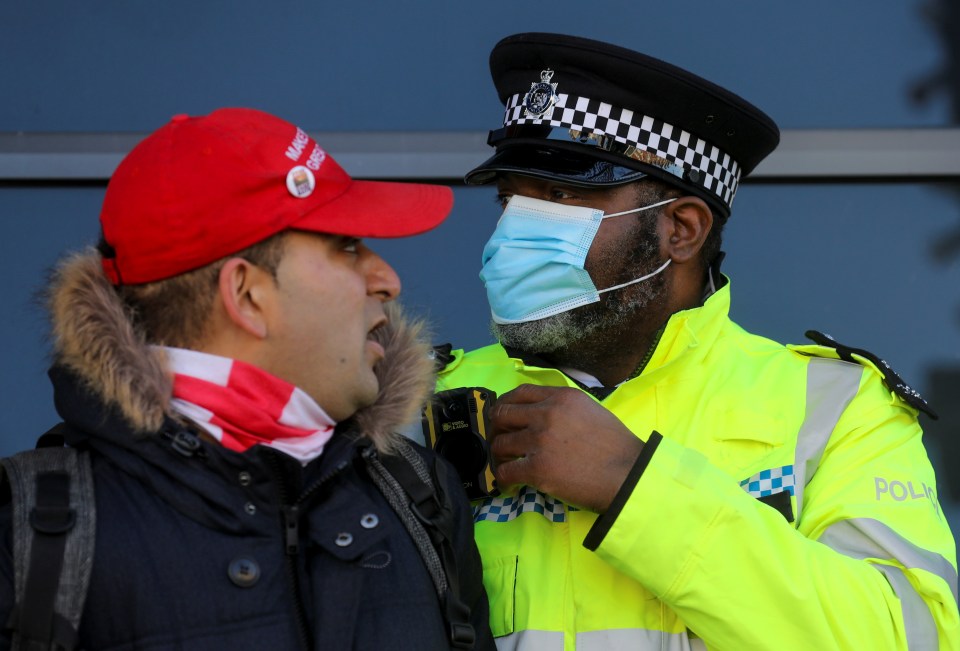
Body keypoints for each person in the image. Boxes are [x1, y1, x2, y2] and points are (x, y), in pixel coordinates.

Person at [436, 33, 959, 649]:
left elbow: (907, 637)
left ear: (681, 230)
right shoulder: (426, 403)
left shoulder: (836, 409)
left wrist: (634, 485)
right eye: (509, 200)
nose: (512, 231)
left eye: (559, 196)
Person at [0, 108, 493, 650]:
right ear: (247, 296)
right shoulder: (28, 534)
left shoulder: (419, 493)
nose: (388, 280)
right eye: (347, 246)